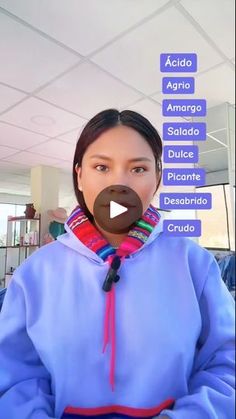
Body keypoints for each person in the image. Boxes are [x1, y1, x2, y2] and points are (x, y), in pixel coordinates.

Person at [0, 109, 235, 419]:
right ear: (80, 177)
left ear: (157, 178)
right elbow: (14, 377)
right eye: (101, 167)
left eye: (138, 169)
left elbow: (227, 362)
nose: (119, 184)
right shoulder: (34, 275)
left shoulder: (195, 265)